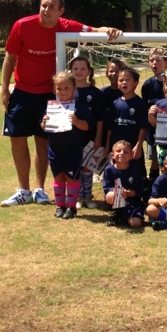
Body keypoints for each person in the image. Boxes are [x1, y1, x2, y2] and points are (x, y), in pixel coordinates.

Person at [0, 0, 121, 207]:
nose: (46, 10)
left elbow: (93, 30)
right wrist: (4, 90)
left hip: (49, 95)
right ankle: (23, 190)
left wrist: (110, 30)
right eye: (43, 5)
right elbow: (10, 57)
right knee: (17, 139)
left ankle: (39, 190)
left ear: (60, 11)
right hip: (22, 92)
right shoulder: (22, 25)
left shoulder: (65, 26)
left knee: (43, 140)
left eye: (51, 7)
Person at [41, 71, 93, 220]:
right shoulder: (52, 107)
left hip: (73, 150)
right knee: (58, 178)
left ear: (74, 88)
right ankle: (60, 206)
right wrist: (44, 122)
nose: (63, 91)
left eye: (67, 88)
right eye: (59, 88)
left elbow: (87, 126)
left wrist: (77, 122)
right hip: (54, 150)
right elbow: (43, 127)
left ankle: (71, 207)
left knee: (71, 179)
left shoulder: (80, 107)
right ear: (54, 90)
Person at [105, 67, 149, 196]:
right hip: (118, 148)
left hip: (133, 147)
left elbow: (143, 127)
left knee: (139, 172)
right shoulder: (115, 104)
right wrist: (107, 146)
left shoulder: (140, 103)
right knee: (117, 171)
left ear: (135, 83)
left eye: (127, 80)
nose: (123, 83)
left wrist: (138, 145)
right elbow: (110, 128)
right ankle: (116, 197)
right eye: (121, 80)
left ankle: (142, 196)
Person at [69, 56, 104, 210]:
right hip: (71, 137)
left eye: (83, 69)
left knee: (87, 167)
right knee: (75, 166)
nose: (79, 72)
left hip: (90, 137)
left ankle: (87, 196)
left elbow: (100, 119)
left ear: (89, 71)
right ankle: (76, 196)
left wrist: (98, 138)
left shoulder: (95, 93)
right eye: (75, 69)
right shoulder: (67, 90)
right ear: (70, 71)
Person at [141, 47, 167, 182]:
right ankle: (153, 187)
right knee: (155, 161)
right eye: (151, 60)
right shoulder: (148, 85)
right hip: (153, 131)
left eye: (158, 60)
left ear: (166, 62)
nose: (154, 63)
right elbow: (145, 107)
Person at [103, 140, 145, 228]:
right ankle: (116, 213)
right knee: (110, 196)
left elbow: (139, 191)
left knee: (135, 223)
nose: (122, 153)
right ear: (112, 155)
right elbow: (107, 188)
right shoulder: (108, 170)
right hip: (115, 199)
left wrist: (127, 193)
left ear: (131, 156)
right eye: (118, 151)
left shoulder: (135, 170)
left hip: (132, 201)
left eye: (126, 152)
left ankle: (124, 216)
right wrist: (117, 192)